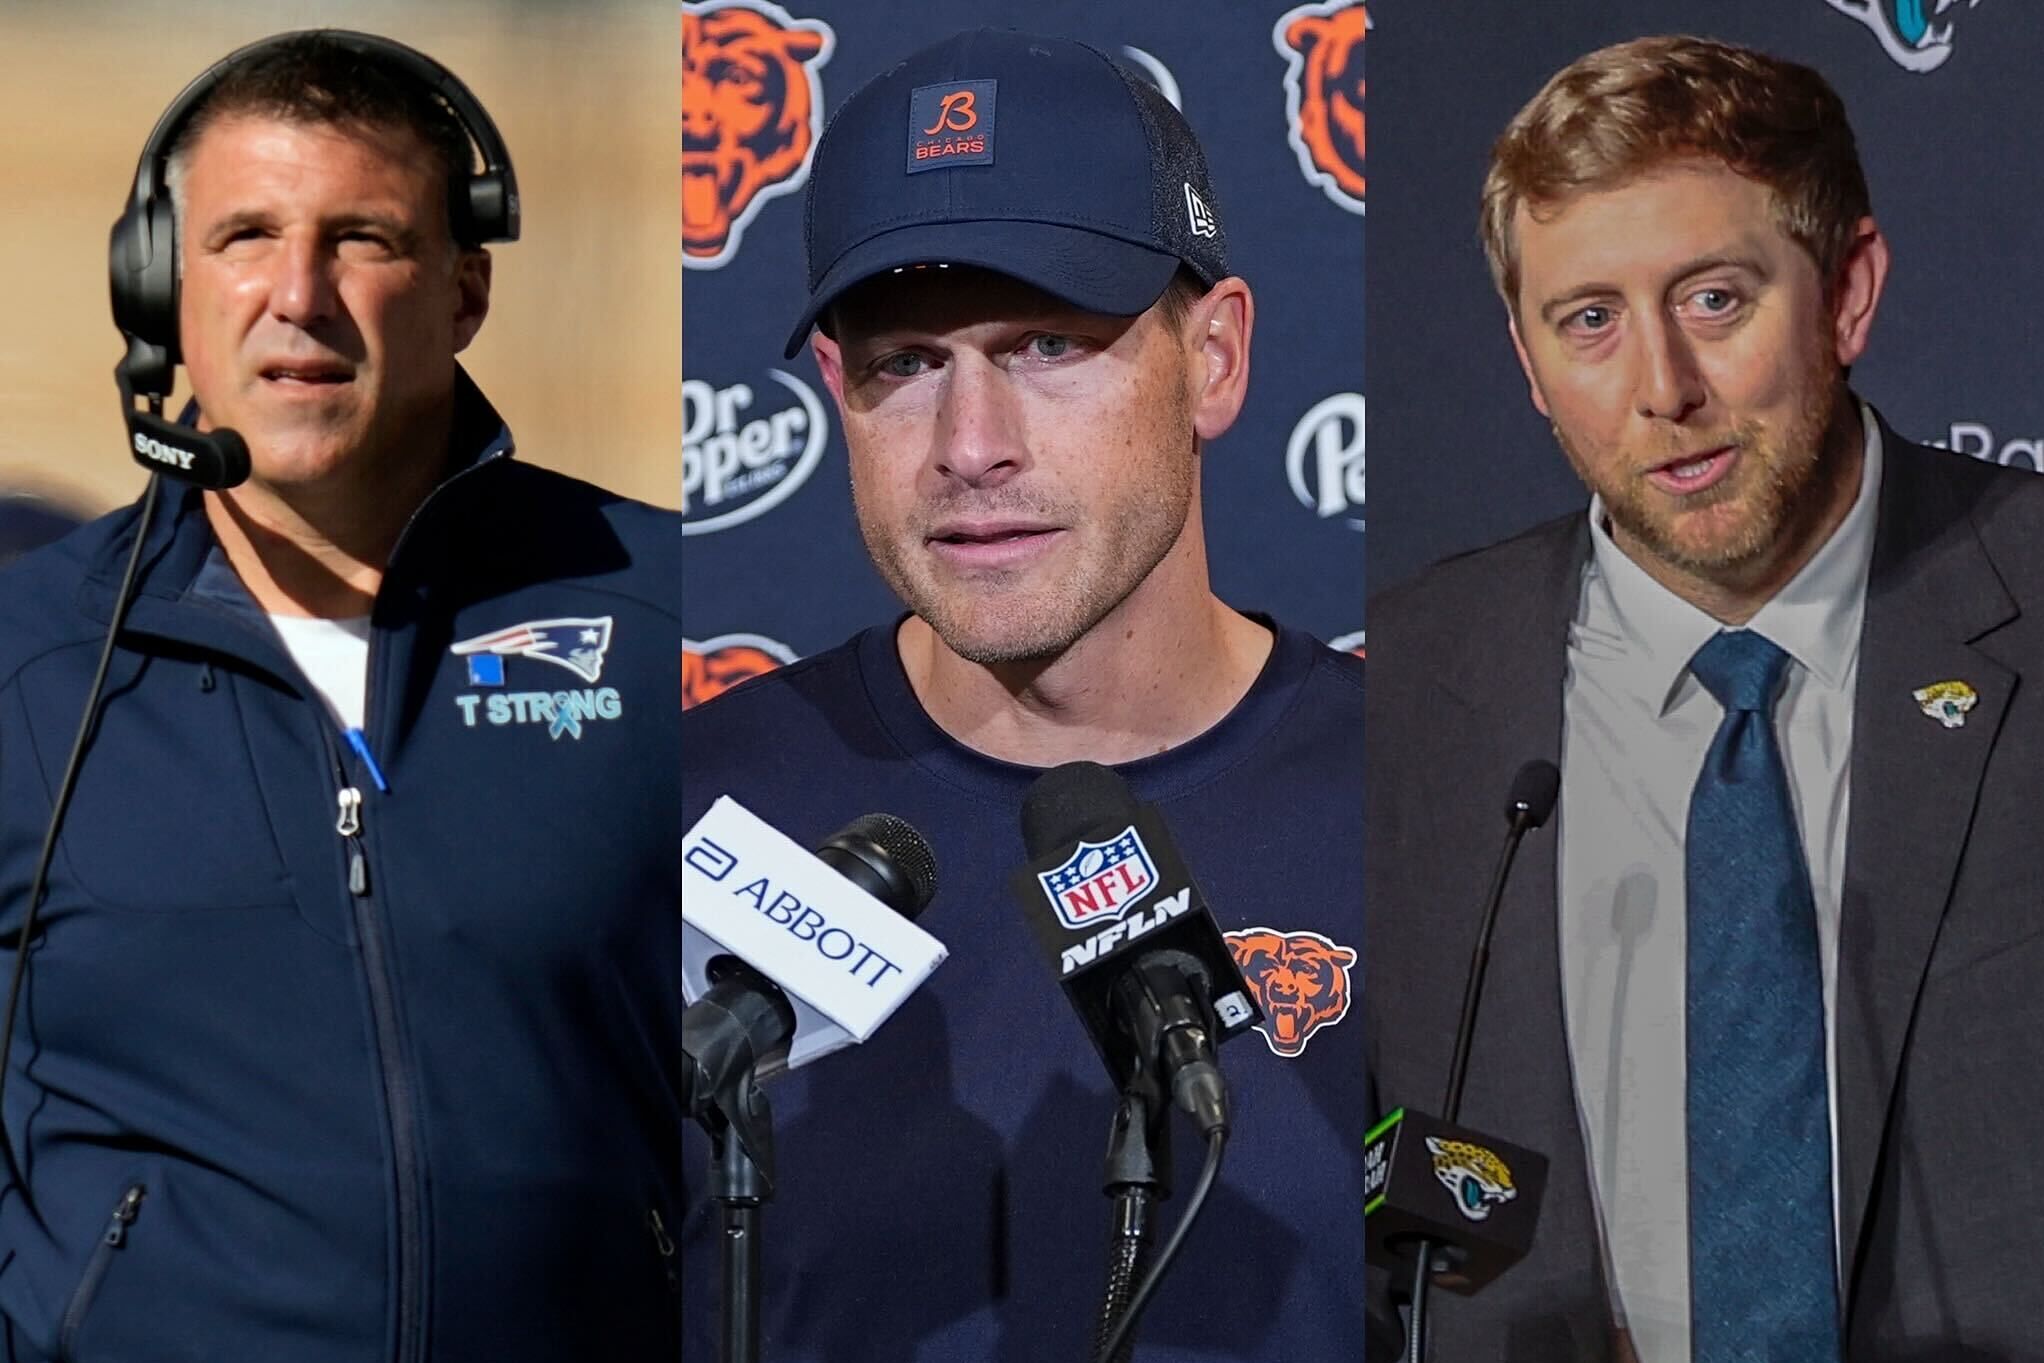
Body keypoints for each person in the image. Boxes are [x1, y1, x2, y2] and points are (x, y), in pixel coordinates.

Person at [681, 27, 1365, 1363]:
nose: (970, 447)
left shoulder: (1432, 806)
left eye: (1047, 342)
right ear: (834, 388)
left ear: (1214, 358)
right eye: (906, 364)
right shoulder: (687, 811)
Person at [0, 32, 683, 1361]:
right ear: (159, 288)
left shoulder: (663, 609)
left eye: (362, 238)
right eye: (245, 235)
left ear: (464, 290)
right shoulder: (22, 659)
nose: (296, 294)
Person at [1366, 33, 2044, 1362]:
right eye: (1591, 321)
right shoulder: (1410, 685)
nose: (1662, 390)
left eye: (1717, 299)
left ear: (1847, 294)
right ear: (1527, 358)